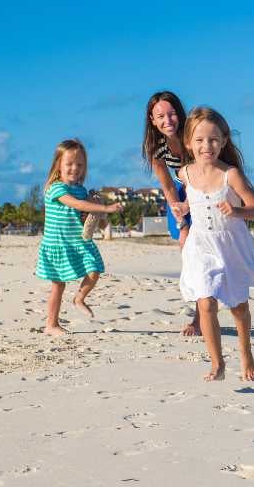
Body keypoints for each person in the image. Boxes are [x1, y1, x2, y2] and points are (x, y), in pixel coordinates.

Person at [173, 107, 254, 381]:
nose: (207, 146)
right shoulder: (185, 174)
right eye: (199, 140)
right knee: (205, 303)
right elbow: (193, 200)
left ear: (224, 141)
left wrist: (237, 212)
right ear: (188, 142)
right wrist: (183, 207)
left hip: (231, 246)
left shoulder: (231, 175)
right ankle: (217, 363)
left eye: (213, 140)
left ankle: (246, 353)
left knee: (239, 307)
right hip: (200, 245)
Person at [35, 139, 123, 336]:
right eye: (69, 164)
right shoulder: (56, 188)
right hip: (58, 244)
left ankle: (79, 298)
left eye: (80, 164)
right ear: (58, 165)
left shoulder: (82, 190)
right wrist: (105, 207)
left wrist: (98, 211)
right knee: (58, 284)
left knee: (95, 270)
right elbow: (76, 205)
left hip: (78, 242)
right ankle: (51, 324)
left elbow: (86, 215)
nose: (75, 168)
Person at [141, 91, 200, 335]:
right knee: (188, 253)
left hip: (201, 189)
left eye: (172, 113)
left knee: (205, 252)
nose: (168, 120)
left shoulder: (192, 135)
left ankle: (201, 316)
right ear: (152, 120)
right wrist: (182, 222)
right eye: (161, 116)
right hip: (177, 195)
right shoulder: (157, 150)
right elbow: (167, 188)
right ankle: (197, 312)